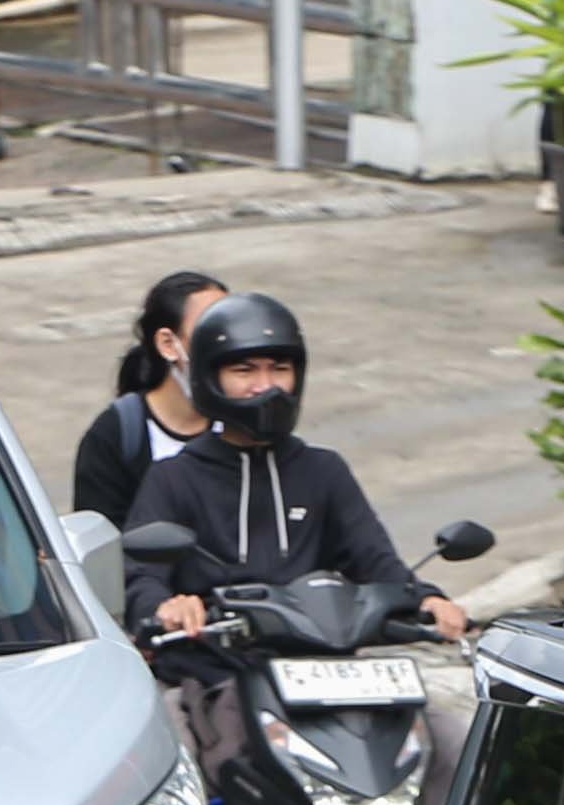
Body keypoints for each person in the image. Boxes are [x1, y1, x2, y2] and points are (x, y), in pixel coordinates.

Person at [123, 294, 469, 647]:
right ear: (210, 378)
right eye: (244, 370)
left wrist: (428, 599)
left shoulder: (322, 470)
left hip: (321, 659)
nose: (265, 385)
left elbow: (375, 561)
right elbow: (141, 577)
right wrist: (169, 607)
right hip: (220, 667)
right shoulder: (176, 477)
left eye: (280, 369)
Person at [65, 269, 223, 527]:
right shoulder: (116, 435)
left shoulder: (244, 421)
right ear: (168, 344)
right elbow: (105, 547)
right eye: (210, 331)